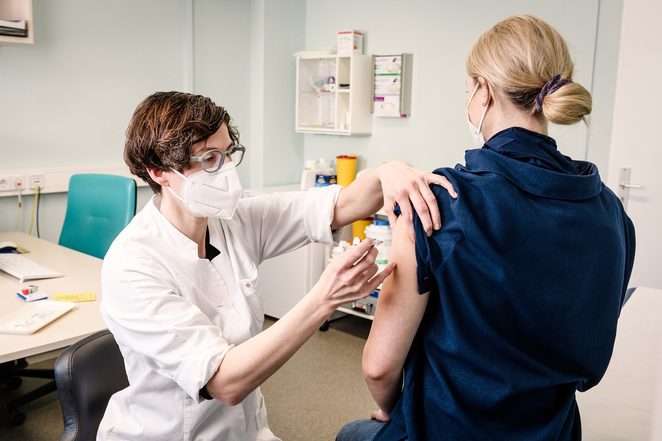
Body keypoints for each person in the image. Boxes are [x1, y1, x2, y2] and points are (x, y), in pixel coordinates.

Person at [337, 15, 636, 441]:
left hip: (446, 430)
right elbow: (591, 360)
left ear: (484, 90)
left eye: (467, 90)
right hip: (552, 432)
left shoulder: (437, 201)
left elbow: (378, 366)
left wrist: (392, 409)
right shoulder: (610, 213)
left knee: (353, 434)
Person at [97, 91, 456, 440]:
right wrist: (323, 299)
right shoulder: (132, 265)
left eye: (228, 154)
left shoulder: (234, 221)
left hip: (246, 430)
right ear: (159, 171)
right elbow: (224, 382)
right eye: (209, 160)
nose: (226, 171)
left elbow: (343, 204)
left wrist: (388, 172)